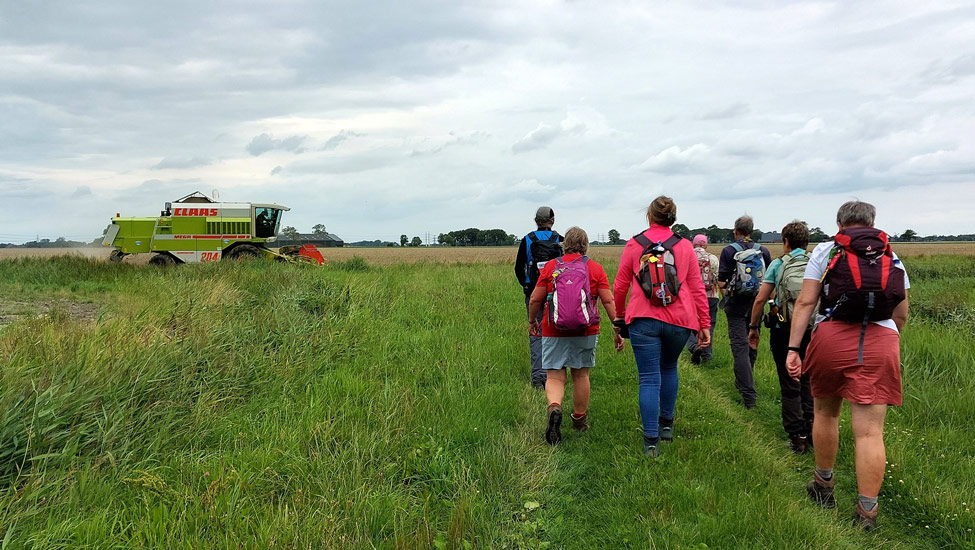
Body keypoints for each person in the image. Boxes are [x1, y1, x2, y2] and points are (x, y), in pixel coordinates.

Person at [786, 201, 909, 531]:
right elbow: (901, 313)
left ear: (840, 223)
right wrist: (888, 340)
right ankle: (867, 512)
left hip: (830, 339)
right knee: (870, 432)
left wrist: (794, 347)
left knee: (826, 413)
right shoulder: (890, 254)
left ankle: (823, 486)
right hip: (881, 340)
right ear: (872, 222)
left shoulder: (826, 251)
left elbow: (807, 301)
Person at [613, 197, 711, 457]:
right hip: (679, 320)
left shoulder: (635, 244)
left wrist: (621, 317)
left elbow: (620, 285)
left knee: (648, 378)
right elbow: (697, 287)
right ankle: (666, 426)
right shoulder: (685, 246)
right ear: (673, 219)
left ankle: (650, 442)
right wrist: (704, 323)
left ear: (650, 217)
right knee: (669, 368)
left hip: (643, 320)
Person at [528, 227, 621, 445]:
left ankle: (555, 407)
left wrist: (532, 321)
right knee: (581, 375)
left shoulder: (552, 267)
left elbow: (535, 299)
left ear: (564, 244)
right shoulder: (595, 269)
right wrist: (617, 330)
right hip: (586, 330)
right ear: (585, 245)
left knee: (554, 376)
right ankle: (579, 420)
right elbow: (608, 301)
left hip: (553, 329)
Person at [747, 221, 814, 453]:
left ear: (785, 242)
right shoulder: (816, 263)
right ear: (806, 243)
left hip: (784, 329)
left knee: (789, 383)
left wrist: (754, 326)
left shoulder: (778, 264)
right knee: (809, 380)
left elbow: (760, 299)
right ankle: (815, 430)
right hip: (814, 329)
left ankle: (797, 438)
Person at [717, 215, 771, 409]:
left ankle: (748, 394)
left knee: (739, 347)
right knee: (752, 342)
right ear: (752, 230)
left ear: (735, 231)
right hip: (757, 302)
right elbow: (768, 281)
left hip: (736, 304)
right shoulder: (763, 251)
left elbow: (722, 281)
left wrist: (727, 296)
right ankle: (745, 381)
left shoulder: (728, 251)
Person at [515, 207, 564, 389]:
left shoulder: (527, 240)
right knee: (556, 332)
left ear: (536, 220)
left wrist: (527, 287)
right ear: (552, 220)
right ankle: (555, 375)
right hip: (557, 293)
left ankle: (538, 378)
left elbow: (518, 269)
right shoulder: (559, 240)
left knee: (536, 333)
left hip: (533, 291)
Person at [685, 234, 720, 364]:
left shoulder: (687, 257)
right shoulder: (713, 259)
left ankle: (694, 346)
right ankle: (707, 356)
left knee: (689, 325)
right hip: (711, 296)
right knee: (709, 325)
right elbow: (718, 278)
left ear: (693, 244)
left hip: (691, 298)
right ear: (706, 245)